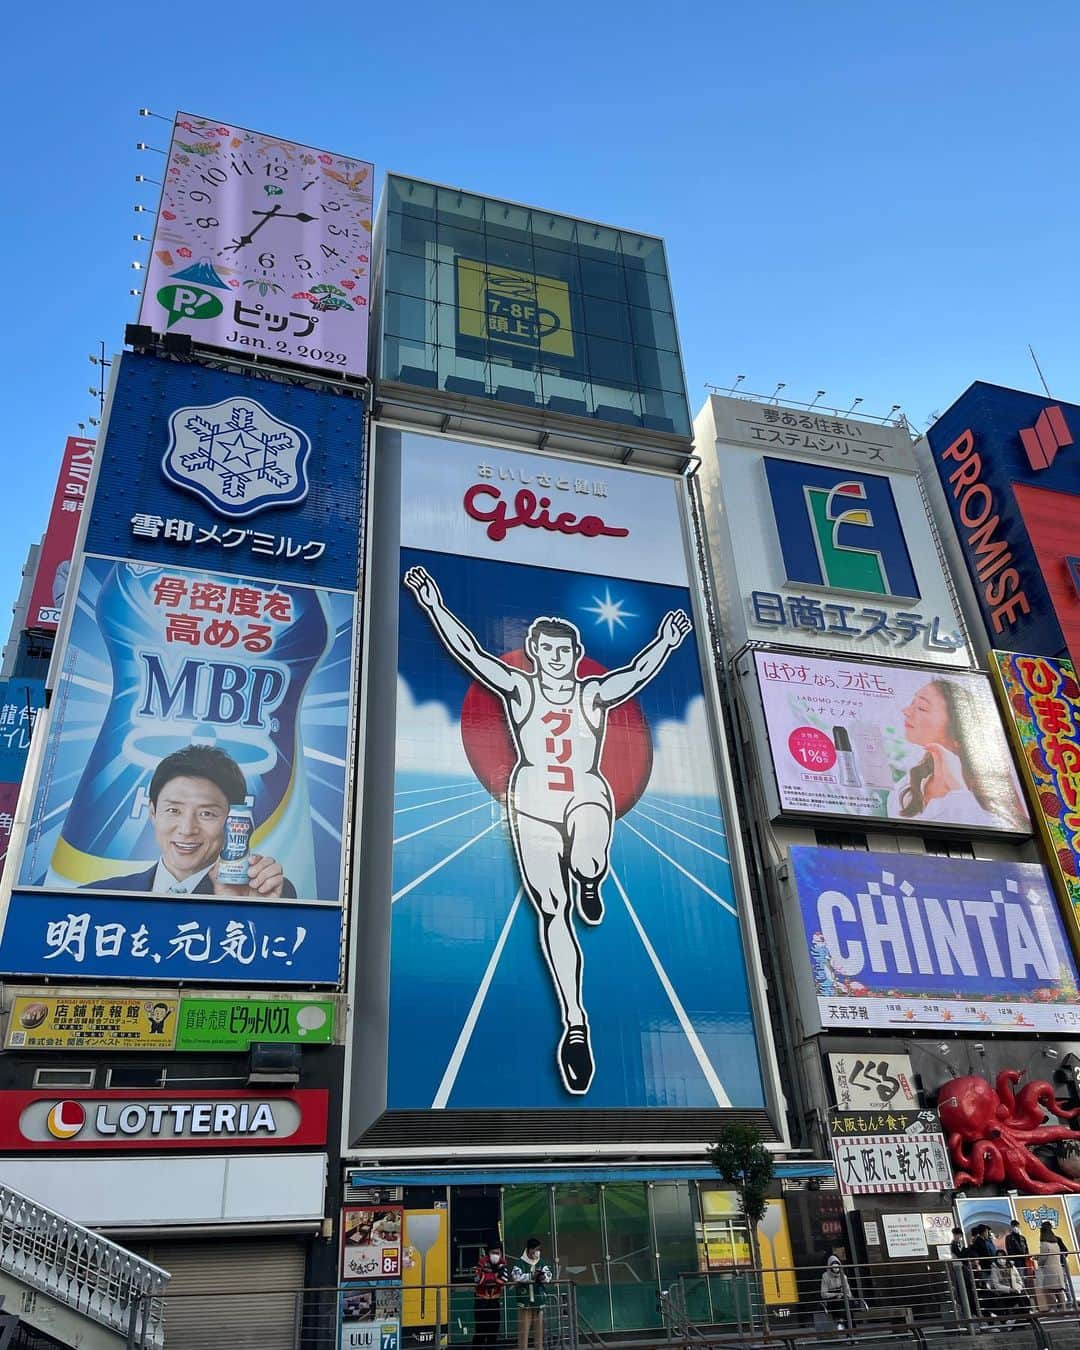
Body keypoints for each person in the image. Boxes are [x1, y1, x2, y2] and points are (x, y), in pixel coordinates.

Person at [405, 565, 690, 1094]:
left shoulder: (593, 694)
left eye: (567, 651)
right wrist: (433, 606)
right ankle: (575, 1025)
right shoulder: (519, 690)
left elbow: (636, 675)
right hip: (532, 802)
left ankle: (590, 875)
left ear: (576, 655)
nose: (559, 659)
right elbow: (470, 653)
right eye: (549, 651)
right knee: (552, 912)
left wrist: (667, 643)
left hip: (585, 792)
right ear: (536, 653)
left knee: (586, 858)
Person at [85, 745, 295, 897]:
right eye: (174, 810)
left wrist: (246, 912)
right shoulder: (94, 898)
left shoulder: (264, 892)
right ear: (153, 813)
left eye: (206, 814)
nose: (187, 829)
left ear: (233, 820)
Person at [887, 678, 1027, 830]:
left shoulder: (995, 786)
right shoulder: (906, 788)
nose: (906, 711)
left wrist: (957, 790)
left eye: (921, 707)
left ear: (958, 728)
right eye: (912, 702)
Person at [510, 1238, 553, 1350]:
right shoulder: (520, 1262)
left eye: (539, 1249)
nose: (538, 1252)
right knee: (523, 1333)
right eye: (536, 1249)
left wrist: (544, 1277)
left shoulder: (541, 1262)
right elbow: (516, 1276)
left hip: (538, 1302)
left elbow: (549, 1274)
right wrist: (531, 1276)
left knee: (539, 1335)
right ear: (530, 1250)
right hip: (525, 1303)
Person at [474, 1242, 510, 1348]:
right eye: (494, 1252)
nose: (496, 1255)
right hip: (481, 1301)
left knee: (493, 1332)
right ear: (488, 1253)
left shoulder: (502, 1262)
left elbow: (504, 1279)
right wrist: (495, 1276)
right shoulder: (482, 1262)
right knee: (480, 1332)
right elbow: (478, 1279)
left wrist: (488, 1276)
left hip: (495, 1301)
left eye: (498, 1253)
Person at [1036, 1221, 1069, 1312]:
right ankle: (1064, 1309)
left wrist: (1038, 1260)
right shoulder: (1055, 1242)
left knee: (1048, 1289)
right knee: (1059, 1290)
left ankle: (1054, 1308)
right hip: (1058, 1268)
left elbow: (1043, 1258)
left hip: (1049, 1269)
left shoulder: (1044, 1243)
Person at [988, 1255, 1029, 1324]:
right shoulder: (994, 1268)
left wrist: (1017, 1288)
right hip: (1003, 1293)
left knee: (1022, 1296)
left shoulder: (1011, 1266)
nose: (1001, 1260)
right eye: (999, 1258)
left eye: (1003, 1257)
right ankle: (1026, 1314)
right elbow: (996, 1285)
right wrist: (1009, 1289)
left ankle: (1027, 1314)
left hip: (1015, 1290)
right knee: (1019, 1297)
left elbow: (1019, 1280)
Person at [820, 1253, 853, 1330]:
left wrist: (843, 1295)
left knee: (847, 1305)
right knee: (840, 1304)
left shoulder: (843, 1276)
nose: (836, 1269)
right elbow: (823, 1294)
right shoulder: (825, 1276)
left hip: (843, 1299)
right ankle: (846, 1327)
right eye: (833, 1267)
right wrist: (836, 1294)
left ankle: (847, 1327)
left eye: (837, 1267)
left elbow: (848, 1292)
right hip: (832, 1300)